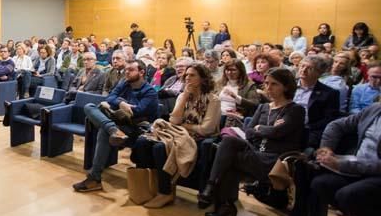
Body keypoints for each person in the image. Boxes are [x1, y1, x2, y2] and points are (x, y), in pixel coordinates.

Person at [199, 68, 305, 216]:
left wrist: (260, 129)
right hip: (255, 153)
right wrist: (267, 130)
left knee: (228, 158)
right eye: (267, 83)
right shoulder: (263, 107)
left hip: (275, 161)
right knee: (228, 145)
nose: (268, 88)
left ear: (287, 87)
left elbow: (279, 132)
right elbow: (248, 132)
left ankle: (215, 193)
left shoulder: (296, 110)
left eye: (274, 84)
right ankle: (217, 195)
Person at [130, 63, 221, 208]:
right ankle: (149, 186)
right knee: (143, 141)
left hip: (197, 139)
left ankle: (165, 192)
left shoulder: (213, 100)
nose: (187, 78)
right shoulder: (183, 96)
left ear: (203, 79)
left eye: (192, 75)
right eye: (186, 75)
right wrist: (185, 96)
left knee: (161, 147)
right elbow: (174, 120)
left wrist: (185, 126)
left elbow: (206, 129)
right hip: (177, 133)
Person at [305, 104, 381, 216]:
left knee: (349, 195)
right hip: (356, 165)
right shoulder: (375, 109)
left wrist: (343, 165)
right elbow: (336, 125)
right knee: (321, 184)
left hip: (375, 172)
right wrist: (327, 148)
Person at [72, 60, 159, 193]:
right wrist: (121, 103)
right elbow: (110, 97)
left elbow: (136, 112)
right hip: (120, 123)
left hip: (137, 128)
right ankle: (113, 129)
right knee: (89, 107)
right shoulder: (125, 83)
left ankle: (95, 178)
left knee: (103, 131)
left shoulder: (150, 92)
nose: (127, 72)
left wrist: (118, 103)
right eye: (126, 70)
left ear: (141, 72)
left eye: (131, 70)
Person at [293, 55, 341, 147]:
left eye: (309, 68)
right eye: (302, 66)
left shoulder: (330, 93)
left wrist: (306, 127)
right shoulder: (288, 85)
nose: (303, 70)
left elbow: (329, 118)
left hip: (309, 130)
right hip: (285, 124)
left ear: (319, 73)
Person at [218, 60, 260, 127]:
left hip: (235, 116)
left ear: (241, 71)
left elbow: (255, 104)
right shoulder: (220, 83)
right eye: (227, 70)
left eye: (233, 70)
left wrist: (236, 97)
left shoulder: (249, 85)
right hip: (218, 113)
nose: (229, 72)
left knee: (225, 118)